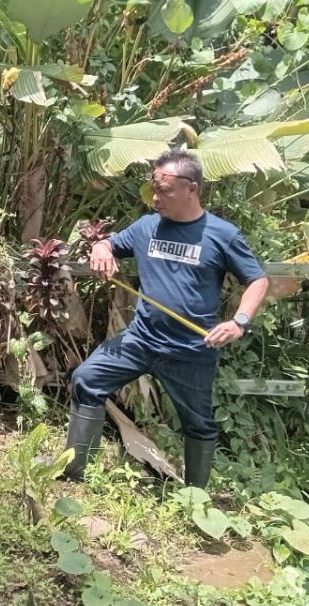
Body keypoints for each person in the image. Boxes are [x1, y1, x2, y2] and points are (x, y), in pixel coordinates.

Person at [66, 148, 269, 487]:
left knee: (198, 424)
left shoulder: (222, 234)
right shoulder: (147, 227)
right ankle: (74, 472)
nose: (156, 198)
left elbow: (257, 280)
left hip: (191, 350)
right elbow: (110, 244)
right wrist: (100, 247)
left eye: (164, 190)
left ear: (192, 188)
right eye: (154, 189)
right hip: (140, 341)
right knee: (86, 379)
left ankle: (195, 497)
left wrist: (239, 322)